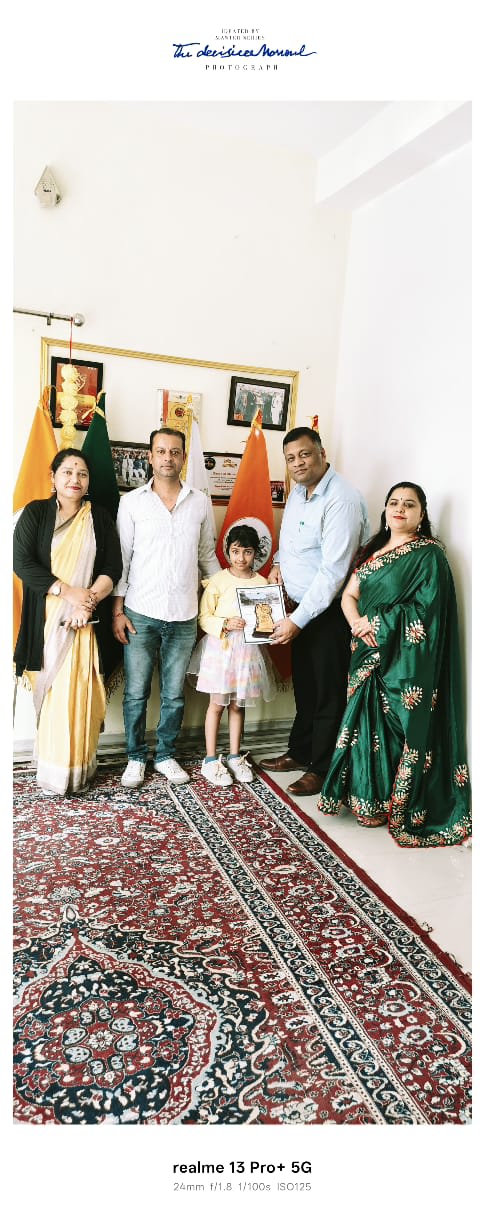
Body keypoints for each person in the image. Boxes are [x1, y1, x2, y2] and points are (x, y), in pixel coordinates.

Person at [318, 483, 472, 847]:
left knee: (394, 727)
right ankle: (367, 799)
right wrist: (358, 623)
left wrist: (379, 623)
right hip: (365, 648)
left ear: (422, 514)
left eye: (409, 504)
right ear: (385, 510)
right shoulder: (372, 551)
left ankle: (394, 802)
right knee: (364, 726)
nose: (400, 509)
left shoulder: (428, 555)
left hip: (401, 659)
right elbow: (349, 595)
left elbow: (428, 611)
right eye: (394, 503)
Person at [259, 426, 369, 796]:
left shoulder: (342, 499)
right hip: (301, 608)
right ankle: (300, 751)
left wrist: (297, 620)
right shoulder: (298, 493)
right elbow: (292, 543)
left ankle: (322, 768)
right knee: (305, 687)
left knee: (327, 694)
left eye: (305, 454)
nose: (298, 463)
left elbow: (334, 572)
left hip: (328, 612)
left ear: (322, 453)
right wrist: (278, 563)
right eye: (290, 458)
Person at [112, 427, 219, 788]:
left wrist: (225, 598)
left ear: (183, 457)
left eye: (175, 452)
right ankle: (135, 757)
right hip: (140, 612)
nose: (168, 458)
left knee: (174, 695)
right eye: (161, 451)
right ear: (150, 456)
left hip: (185, 615)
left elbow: (207, 558)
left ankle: (165, 755)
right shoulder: (132, 503)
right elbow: (122, 561)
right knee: (136, 693)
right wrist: (117, 611)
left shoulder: (199, 502)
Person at [13, 448, 123, 796]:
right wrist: (68, 592)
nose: (75, 479)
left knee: (81, 693)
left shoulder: (99, 517)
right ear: (53, 477)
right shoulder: (35, 513)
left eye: (82, 473)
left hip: (85, 622)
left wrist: (87, 602)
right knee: (55, 694)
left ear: (89, 482)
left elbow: (113, 567)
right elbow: (22, 562)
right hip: (47, 620)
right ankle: (54, 772)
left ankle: (79, 771)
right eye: (68, 472)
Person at [188, 524, 277, 787]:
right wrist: (225, 623)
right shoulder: (218, 581)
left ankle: (235, 756)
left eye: (247, 552)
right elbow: (204, 617)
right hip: (221, 648)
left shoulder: (261, 583)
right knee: (217, 703)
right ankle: (210, 759)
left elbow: (266, 620)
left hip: (247, 652)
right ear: (228, 551)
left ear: (256, 553)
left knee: (238, 704)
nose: (241, 558)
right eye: (236, 551)